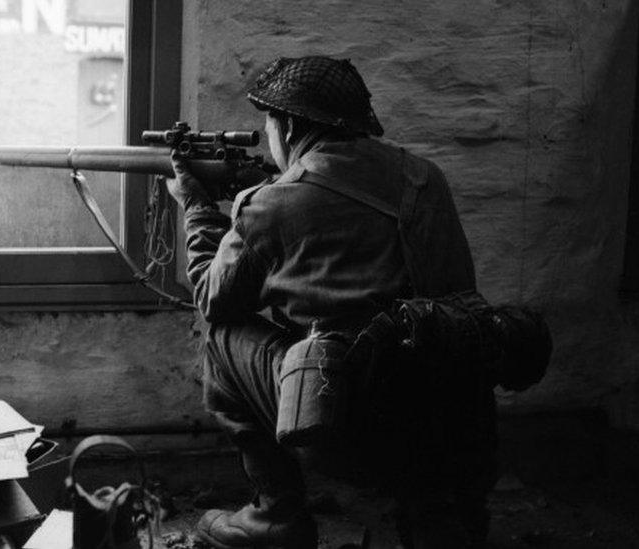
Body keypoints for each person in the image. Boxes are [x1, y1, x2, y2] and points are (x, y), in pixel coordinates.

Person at [166, 56, 493, 548]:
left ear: (289, 125)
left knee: (220, 337)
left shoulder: (268, 203)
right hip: (451, 432)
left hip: (343, 430)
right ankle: (438, 513)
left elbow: (213, 298)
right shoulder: (426, 179)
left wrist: (196, 207)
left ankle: (277, 516)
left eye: (269, 122)